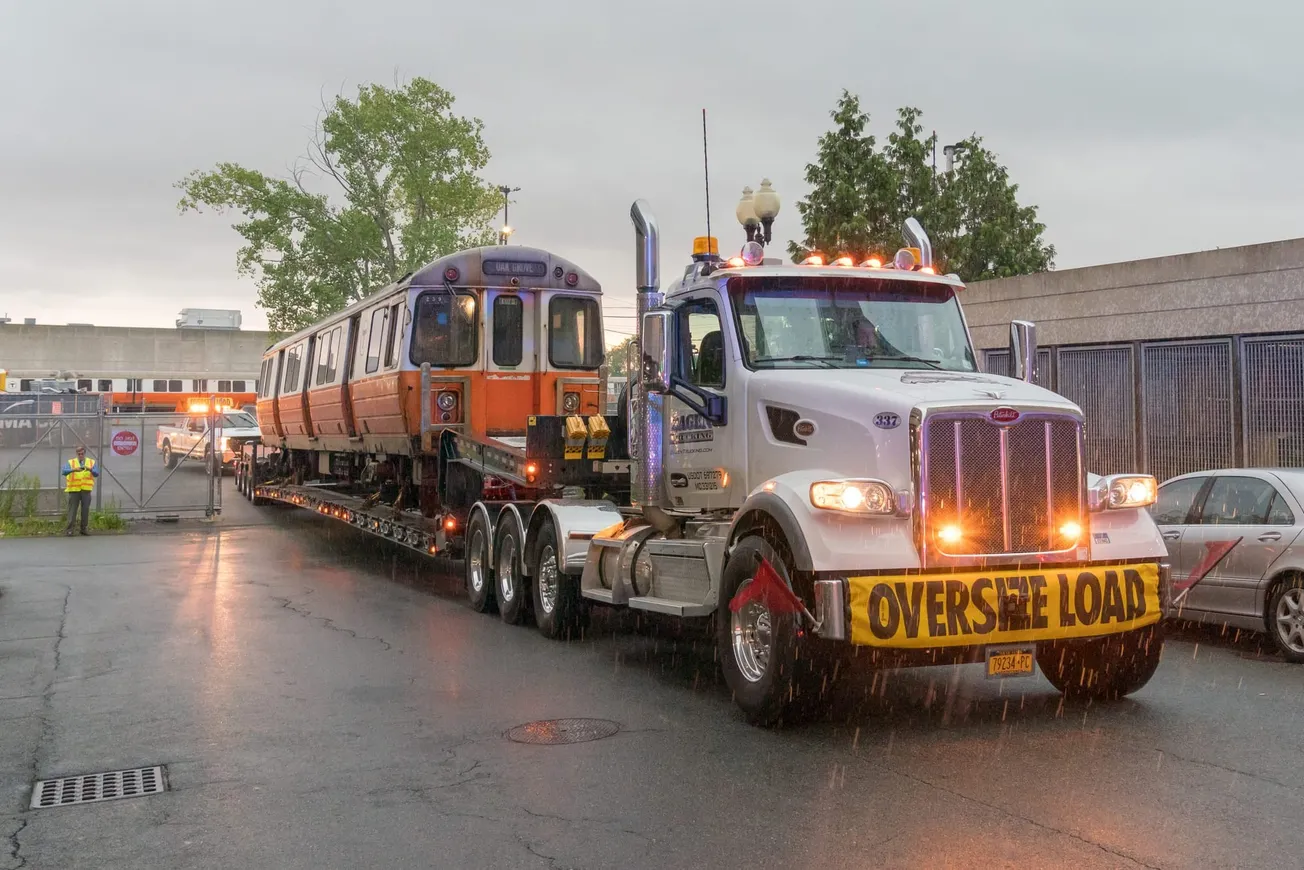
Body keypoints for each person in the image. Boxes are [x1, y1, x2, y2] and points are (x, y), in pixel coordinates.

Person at [63, 446, 99, 536]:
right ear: (76, 454)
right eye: (79, 454)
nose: (80, 455)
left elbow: (96, 473)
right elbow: (64, 471)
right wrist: (73, 470)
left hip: (86, 490)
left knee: (85, 510)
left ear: (85, 453)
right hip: (74, 490)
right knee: (72, 511)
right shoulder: (71, 462)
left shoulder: (91, 462)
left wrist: (90, 469)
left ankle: (84, 529)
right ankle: (70, 530)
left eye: (82, 453)